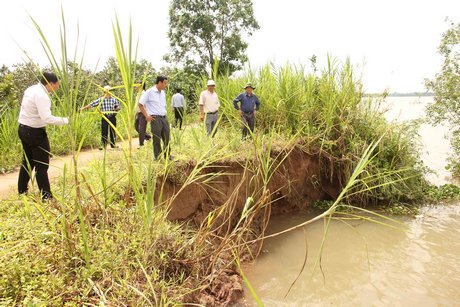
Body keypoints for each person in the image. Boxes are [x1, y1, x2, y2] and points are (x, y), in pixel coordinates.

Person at [17, 71, 69, 200]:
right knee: (42, 164)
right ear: (51, 83)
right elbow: (47, 118)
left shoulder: (32, 89)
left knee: (28, 161)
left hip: (23, 129)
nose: (58, 87)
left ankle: (22, 190)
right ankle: (46, 197)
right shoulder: (42, 96)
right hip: (34, 132)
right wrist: (66, 121)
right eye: (57, 84)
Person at [139, 75, 172, 160]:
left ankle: (167, 155)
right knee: (157, 138)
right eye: (165, 83)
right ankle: (157, 157)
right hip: (155, 118)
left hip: (164, 118)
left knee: (167, 137)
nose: (166, 85)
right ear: (160, 83)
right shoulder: (149, 92)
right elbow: (140, 104)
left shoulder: (163, 93)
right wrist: (147, 116)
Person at [80, 85, 121, 150]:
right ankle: (103, 145)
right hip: (104, 117)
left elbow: (117, 107)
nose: (109, 92)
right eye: (108, 91)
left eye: (110, 91)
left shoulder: (114, 99)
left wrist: (117, 108)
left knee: (112, 131)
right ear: (105, 92)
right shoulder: (101, 99)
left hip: (112, 117)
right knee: (104, 131)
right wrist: (83, 108)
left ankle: (113, 145)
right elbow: (92, 104)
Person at [134, 82, 151, 146]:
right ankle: (147, 137)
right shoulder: (138, 94)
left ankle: (141, 144)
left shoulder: (144, 94)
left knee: (141, 129)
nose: (135, 86)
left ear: (141, 86)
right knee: (136, 127)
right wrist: (136, 113)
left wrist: (147, 114)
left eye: (137, 85)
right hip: (138, 113)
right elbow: (137, 105)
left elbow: (145, 104)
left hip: (143, 113)